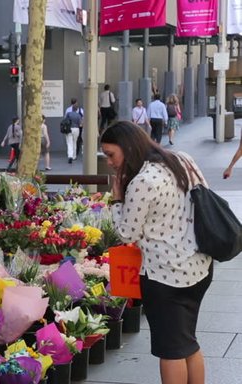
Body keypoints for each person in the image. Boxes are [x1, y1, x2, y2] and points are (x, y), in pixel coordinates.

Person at [101, 121, 212, 384]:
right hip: (199, 268)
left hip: (165, 278)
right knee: (187, 342)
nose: (108, 161)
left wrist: (117, 198)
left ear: (127, 148)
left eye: (110, 154)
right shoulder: (181, 159)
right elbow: (203, 197)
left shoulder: (142, 181)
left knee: (171, 350)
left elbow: (127, 233)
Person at [64, 99, 84, 164]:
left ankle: (70, 156)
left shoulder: (68, 113)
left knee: (69, 143)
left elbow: (65, 120)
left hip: (69, 129)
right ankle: (74, 156)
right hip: (76, 129)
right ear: (76, 109)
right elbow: (81, 124)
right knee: (75, 142)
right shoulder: (78, 115)